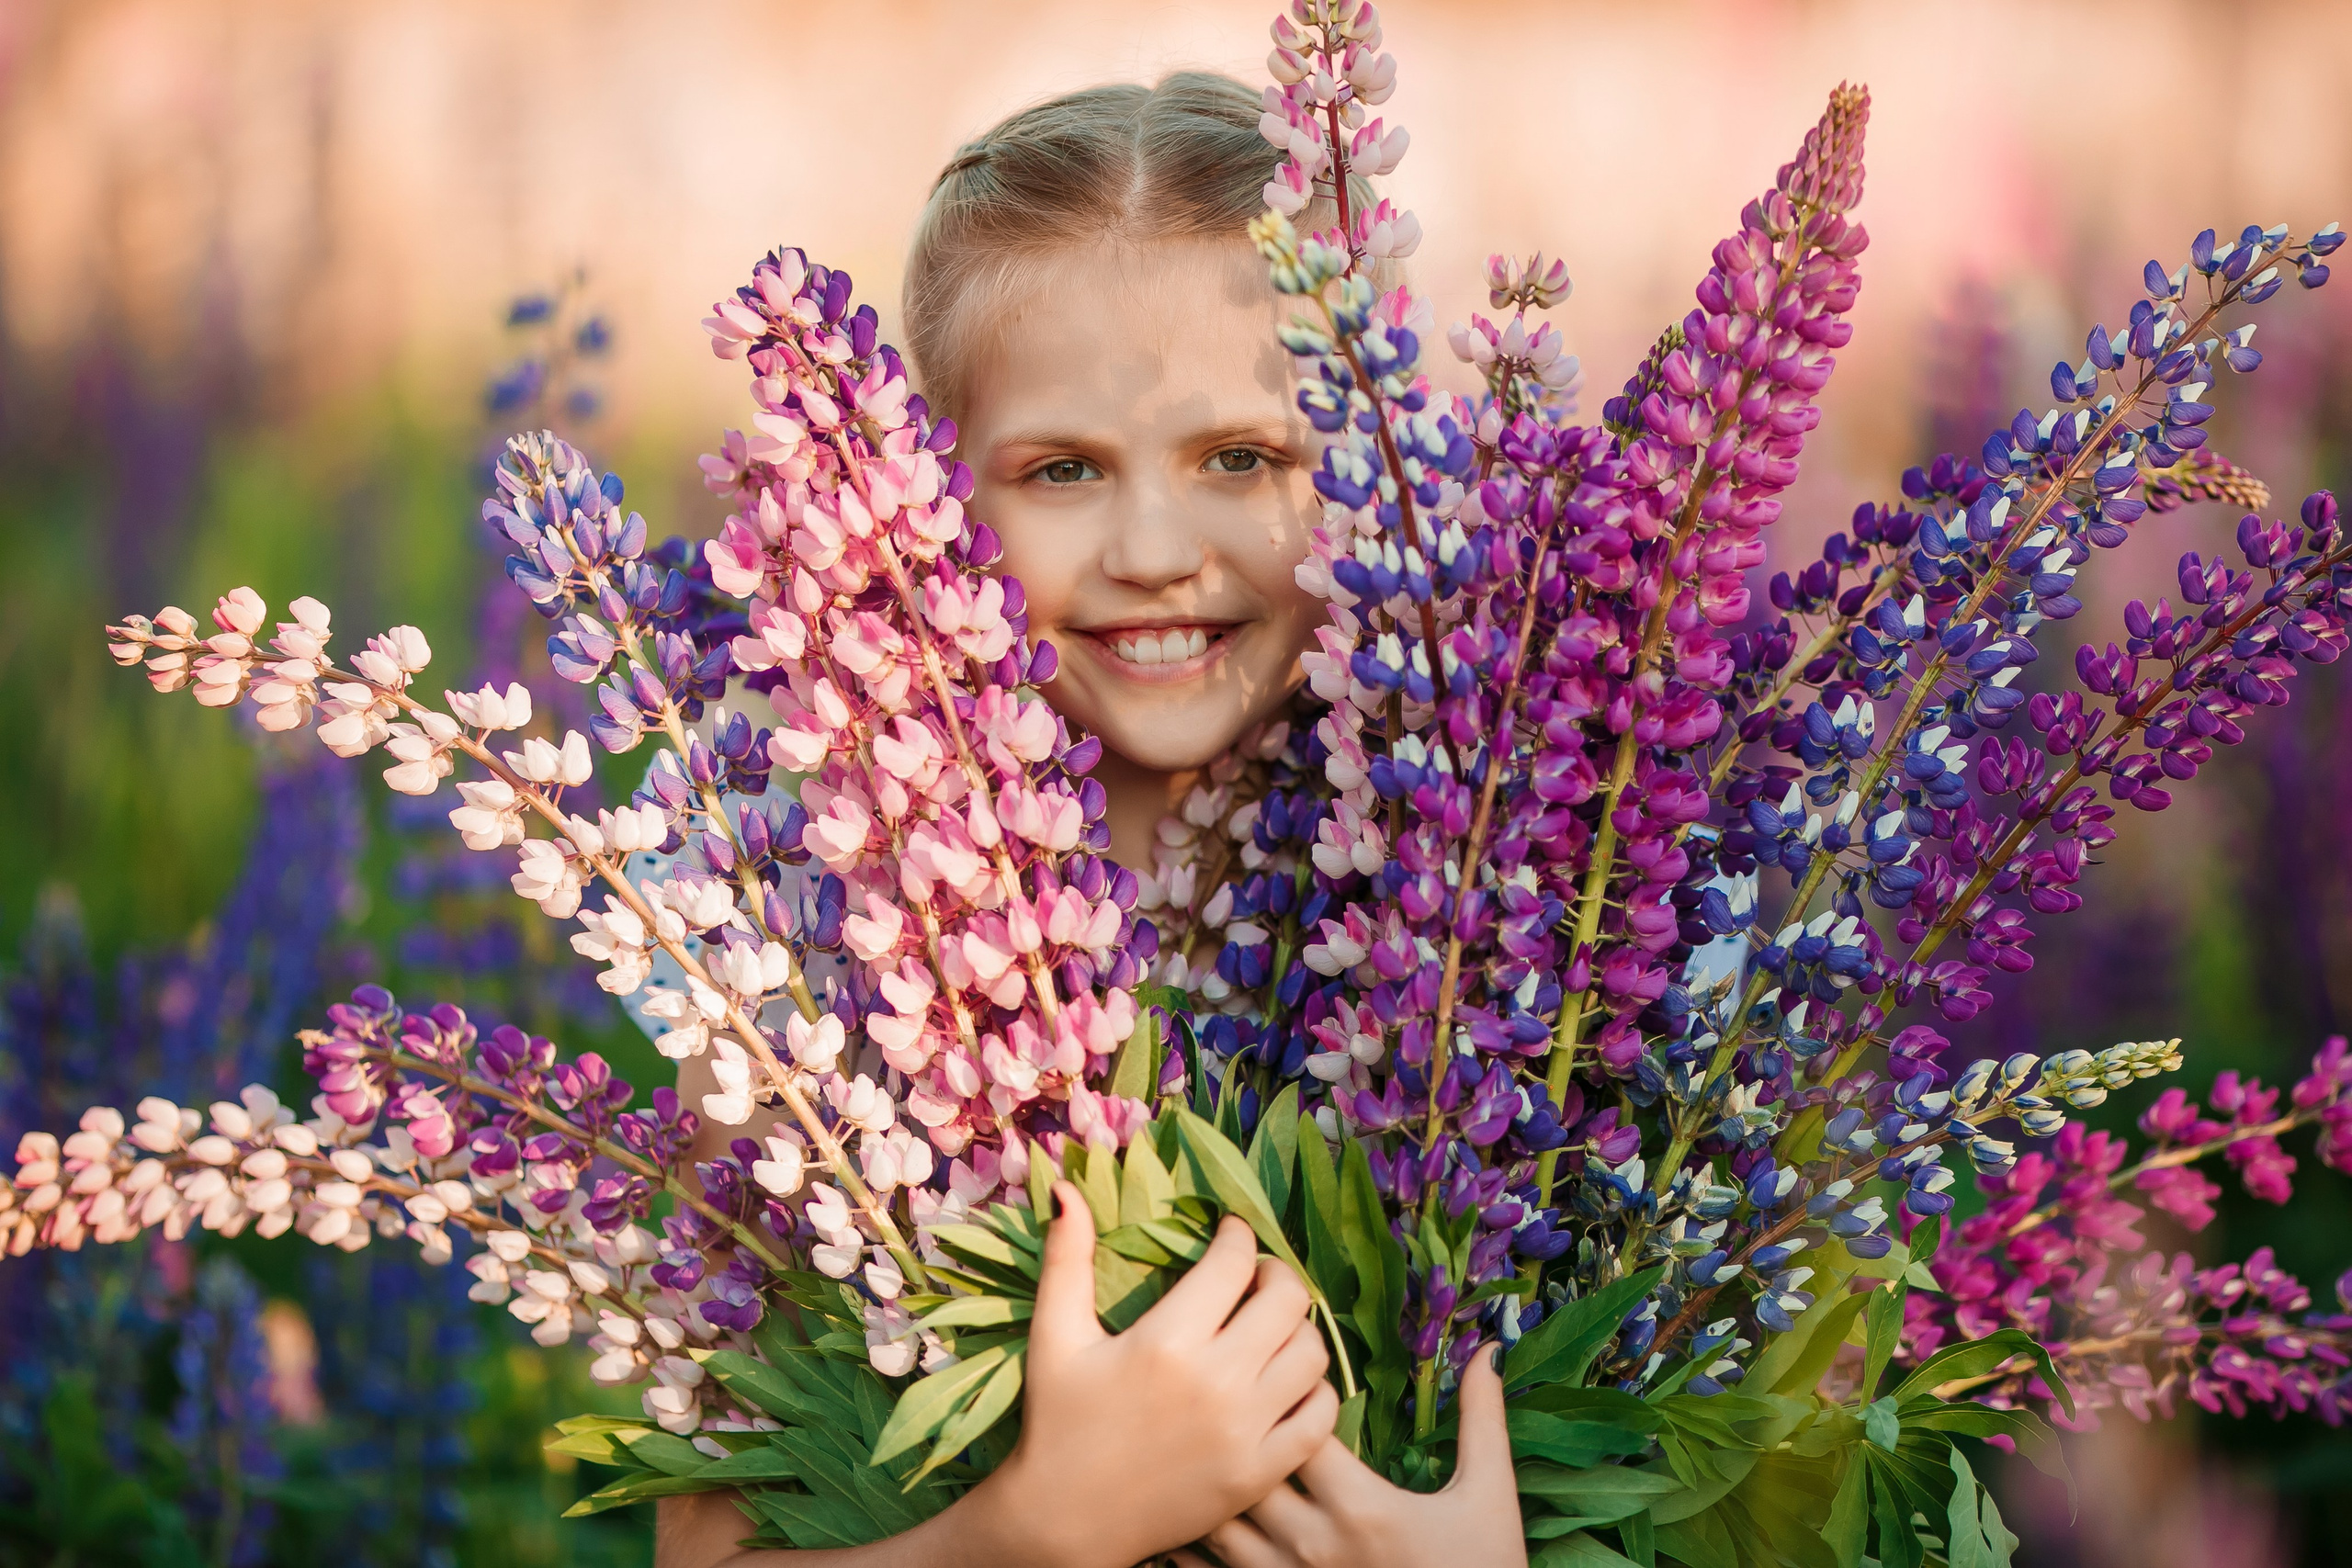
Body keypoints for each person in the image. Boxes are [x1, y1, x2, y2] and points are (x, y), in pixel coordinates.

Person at [658, 73, 1525, 1568]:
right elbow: (707, 1553)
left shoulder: (1495, 918)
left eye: (1244, 460)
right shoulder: (805, 984)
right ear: (922, 492)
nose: (1150, 552)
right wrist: (1031, 1531)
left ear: (1377, 472)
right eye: (1064, 470)